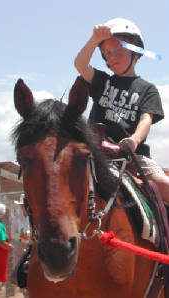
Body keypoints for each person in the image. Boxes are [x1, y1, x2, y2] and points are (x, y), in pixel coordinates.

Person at [74, 17, 169, 205]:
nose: (111, 56)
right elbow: (80, 65)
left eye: (117, 50)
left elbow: (145, 120)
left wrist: (134, 140)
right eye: (106, 53)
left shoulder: (147, 89)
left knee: (165, 185)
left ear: (135, 53)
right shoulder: (101, 81)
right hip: (96, 151)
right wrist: (94, 41)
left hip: (132, 156)